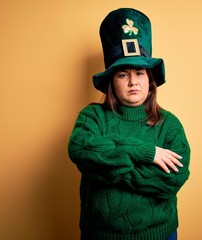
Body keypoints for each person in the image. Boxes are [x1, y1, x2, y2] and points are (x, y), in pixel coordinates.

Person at [68, 8, 191, 240]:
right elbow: (81, 150)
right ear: (111, 82)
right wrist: (146, 153)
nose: (133, 82)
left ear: (151, 80)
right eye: (123, 74)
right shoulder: (92, 117)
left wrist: (108, 168)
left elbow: (173, 179)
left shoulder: (169, 124)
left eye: (140, 73)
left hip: (158, 234)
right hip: (100, 235)